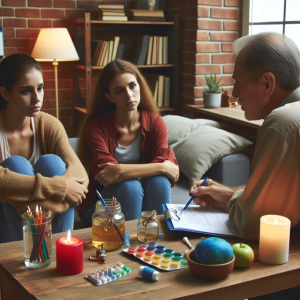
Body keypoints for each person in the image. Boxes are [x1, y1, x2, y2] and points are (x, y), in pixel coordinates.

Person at [190, 32, 300, 241]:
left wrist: (235, 202)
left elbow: (253, 225)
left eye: (238, 82)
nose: (234, 92)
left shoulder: (283, 123)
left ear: (267, 83)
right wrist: (231, 196)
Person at [77, 59, 178, 226]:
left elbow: (167, 171)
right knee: (131, 186)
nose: (129, 95)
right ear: (109, 97)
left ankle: (158, 236)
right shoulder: (96, 127)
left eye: (132, 86)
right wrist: (161, 166)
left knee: (159, 181)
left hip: (142, 201)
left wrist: (120, 170)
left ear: (139, 85)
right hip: (102, 207)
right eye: (119, 91)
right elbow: (107, 176)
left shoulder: (155, 122)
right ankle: (127, 244)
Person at [0, 54, 89, 243]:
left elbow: (80, 175)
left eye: (40, 88)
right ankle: (46, 254)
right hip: (5, 227)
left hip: (46, 227)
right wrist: (61, 187)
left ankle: (51, 252)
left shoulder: (49, 124)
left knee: (53, 163)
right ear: (5, 93)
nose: (37, 99)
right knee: (15, 164)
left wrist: (37, 205)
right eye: (26, 91)